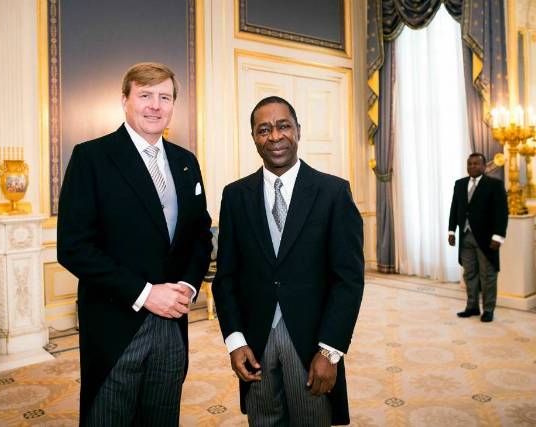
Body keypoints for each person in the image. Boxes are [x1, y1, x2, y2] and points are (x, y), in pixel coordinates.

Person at [57, 62, 212, 426]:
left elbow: (200, 235)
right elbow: (74, 247)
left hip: (172, 324)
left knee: (162, 417)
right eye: (145, 95)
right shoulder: (91, 157)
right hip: (116, 325)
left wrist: (188, 286)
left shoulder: (186, 162)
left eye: (165, 97)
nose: (155, 105)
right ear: (124, 100)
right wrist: (145, 293)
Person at [212, 96, 364, 426]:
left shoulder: (333, 192)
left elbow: (348, 279)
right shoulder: (235, 196)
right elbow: (226, 277)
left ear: (298, 130)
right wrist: (235, 341)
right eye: (264, 129)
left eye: (283, 126)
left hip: (312, 344)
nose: (275, 136)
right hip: (255, 344)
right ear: (253, 137)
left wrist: (330, 351)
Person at [448, 153, 508, 322]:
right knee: (469, 274)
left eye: (476, 164)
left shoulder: (494, 185)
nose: (472, 166)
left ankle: (488, 310)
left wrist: (498, 236)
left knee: (487, 275)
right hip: (465, 237)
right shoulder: (459, 184)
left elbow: (501, 212)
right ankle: (472, 306)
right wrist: (451, 231)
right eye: (469, 164)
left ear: (484, 166)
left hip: (487, 239)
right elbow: (454, 208)